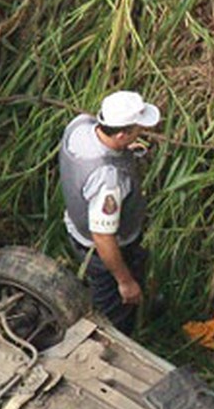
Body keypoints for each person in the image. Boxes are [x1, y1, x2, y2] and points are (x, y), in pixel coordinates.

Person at [59, 90, 161, 334]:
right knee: (114, 307)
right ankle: (118, 336)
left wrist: (125, 149)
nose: (142, 132)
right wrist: (125, 282)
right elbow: (104, 237)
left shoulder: (81, 126)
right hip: (103, 251)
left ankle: (137, 304)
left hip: (75, 225)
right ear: (123, 134)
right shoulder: (108, 180)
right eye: (138, 129)